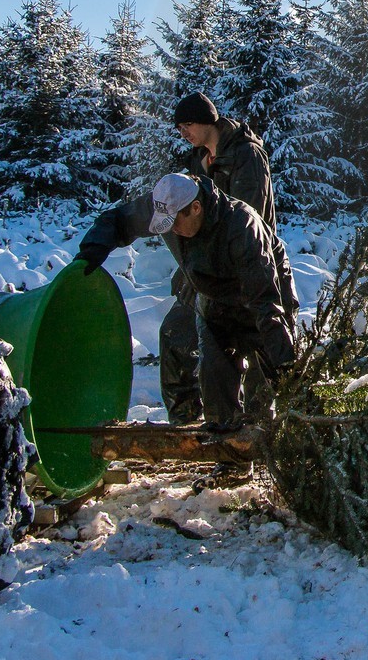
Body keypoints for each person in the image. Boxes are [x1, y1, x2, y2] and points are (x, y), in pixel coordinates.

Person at [75, 173, 295, 431]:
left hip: (263, 293)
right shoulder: (166, 204)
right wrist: (90, 252)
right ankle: (226, 453)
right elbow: (120, 219)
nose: (171, 230)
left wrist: (286, 367)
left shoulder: (242, 226)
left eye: (175, 223)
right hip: (213, 297)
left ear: (196, 208)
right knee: (214, 371)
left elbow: (266, 304)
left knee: (268, 374)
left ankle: (271, 439)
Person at [160, 92, 298, 423]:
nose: (183, 132)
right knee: (181, 336)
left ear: (208, 120)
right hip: (210, 271)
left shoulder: (246, 156)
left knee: (259, 364)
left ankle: (258, 442)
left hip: (252, 266)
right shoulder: (197, 161)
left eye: (188, 124)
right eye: (179, 127)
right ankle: (190, 426)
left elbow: (252, 221)